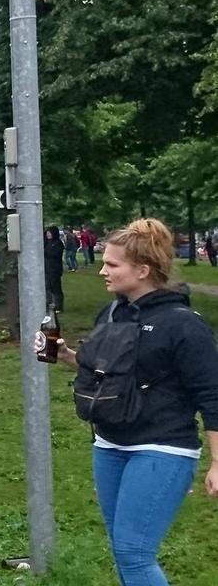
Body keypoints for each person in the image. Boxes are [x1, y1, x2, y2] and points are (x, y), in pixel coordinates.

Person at [56, 219, 218, 585]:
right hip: (110, 445)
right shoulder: (112, 313)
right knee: (122, 548)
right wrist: (67, 356)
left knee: (134, 553)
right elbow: (107, 367)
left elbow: (212, 394)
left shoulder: (184, 325)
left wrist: (217, 462)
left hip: (162, 447)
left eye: (112, 265)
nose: (102, 271)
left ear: (143, 270)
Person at [45, 226, 66, 311]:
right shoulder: (48, 243)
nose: (48, 235)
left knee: (56, 287)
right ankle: (50, 303)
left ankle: (58, 306)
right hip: (48, 268)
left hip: (55, 268)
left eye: (49, 233)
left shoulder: (58, 243)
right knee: (48, 286)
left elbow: (55, 254)